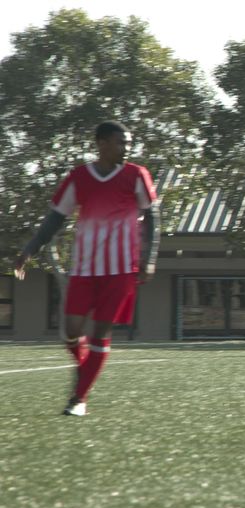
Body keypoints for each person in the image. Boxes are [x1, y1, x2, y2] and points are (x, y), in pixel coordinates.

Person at [13, 120, 159, 416]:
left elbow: (152, 217)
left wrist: (149, 257)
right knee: (70, 331)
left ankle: (78, 399)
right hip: (84, 267)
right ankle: (85, 371)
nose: (127, 148)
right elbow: (55, 218)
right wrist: (30, 249)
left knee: (100, 332)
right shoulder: (79, 177)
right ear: (102, 144)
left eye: (128, 143)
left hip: (121, 269)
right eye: (121, 142)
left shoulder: (136, 174)